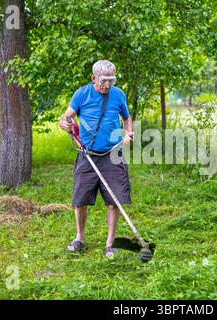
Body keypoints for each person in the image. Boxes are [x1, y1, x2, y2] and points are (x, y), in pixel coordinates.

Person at [59, 59, 134, 258]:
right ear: (93, 78)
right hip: (87, 156)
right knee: (80, 200)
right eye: (103, 80)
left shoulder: (118, 95)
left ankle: (110, 244)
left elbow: (126, 118)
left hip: (112, 155)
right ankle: (79, 238)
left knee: (113, 200)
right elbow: (66, 118)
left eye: (111, 80)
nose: (107, 85)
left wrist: (128, 133)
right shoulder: (81, 94)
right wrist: (65, 124)